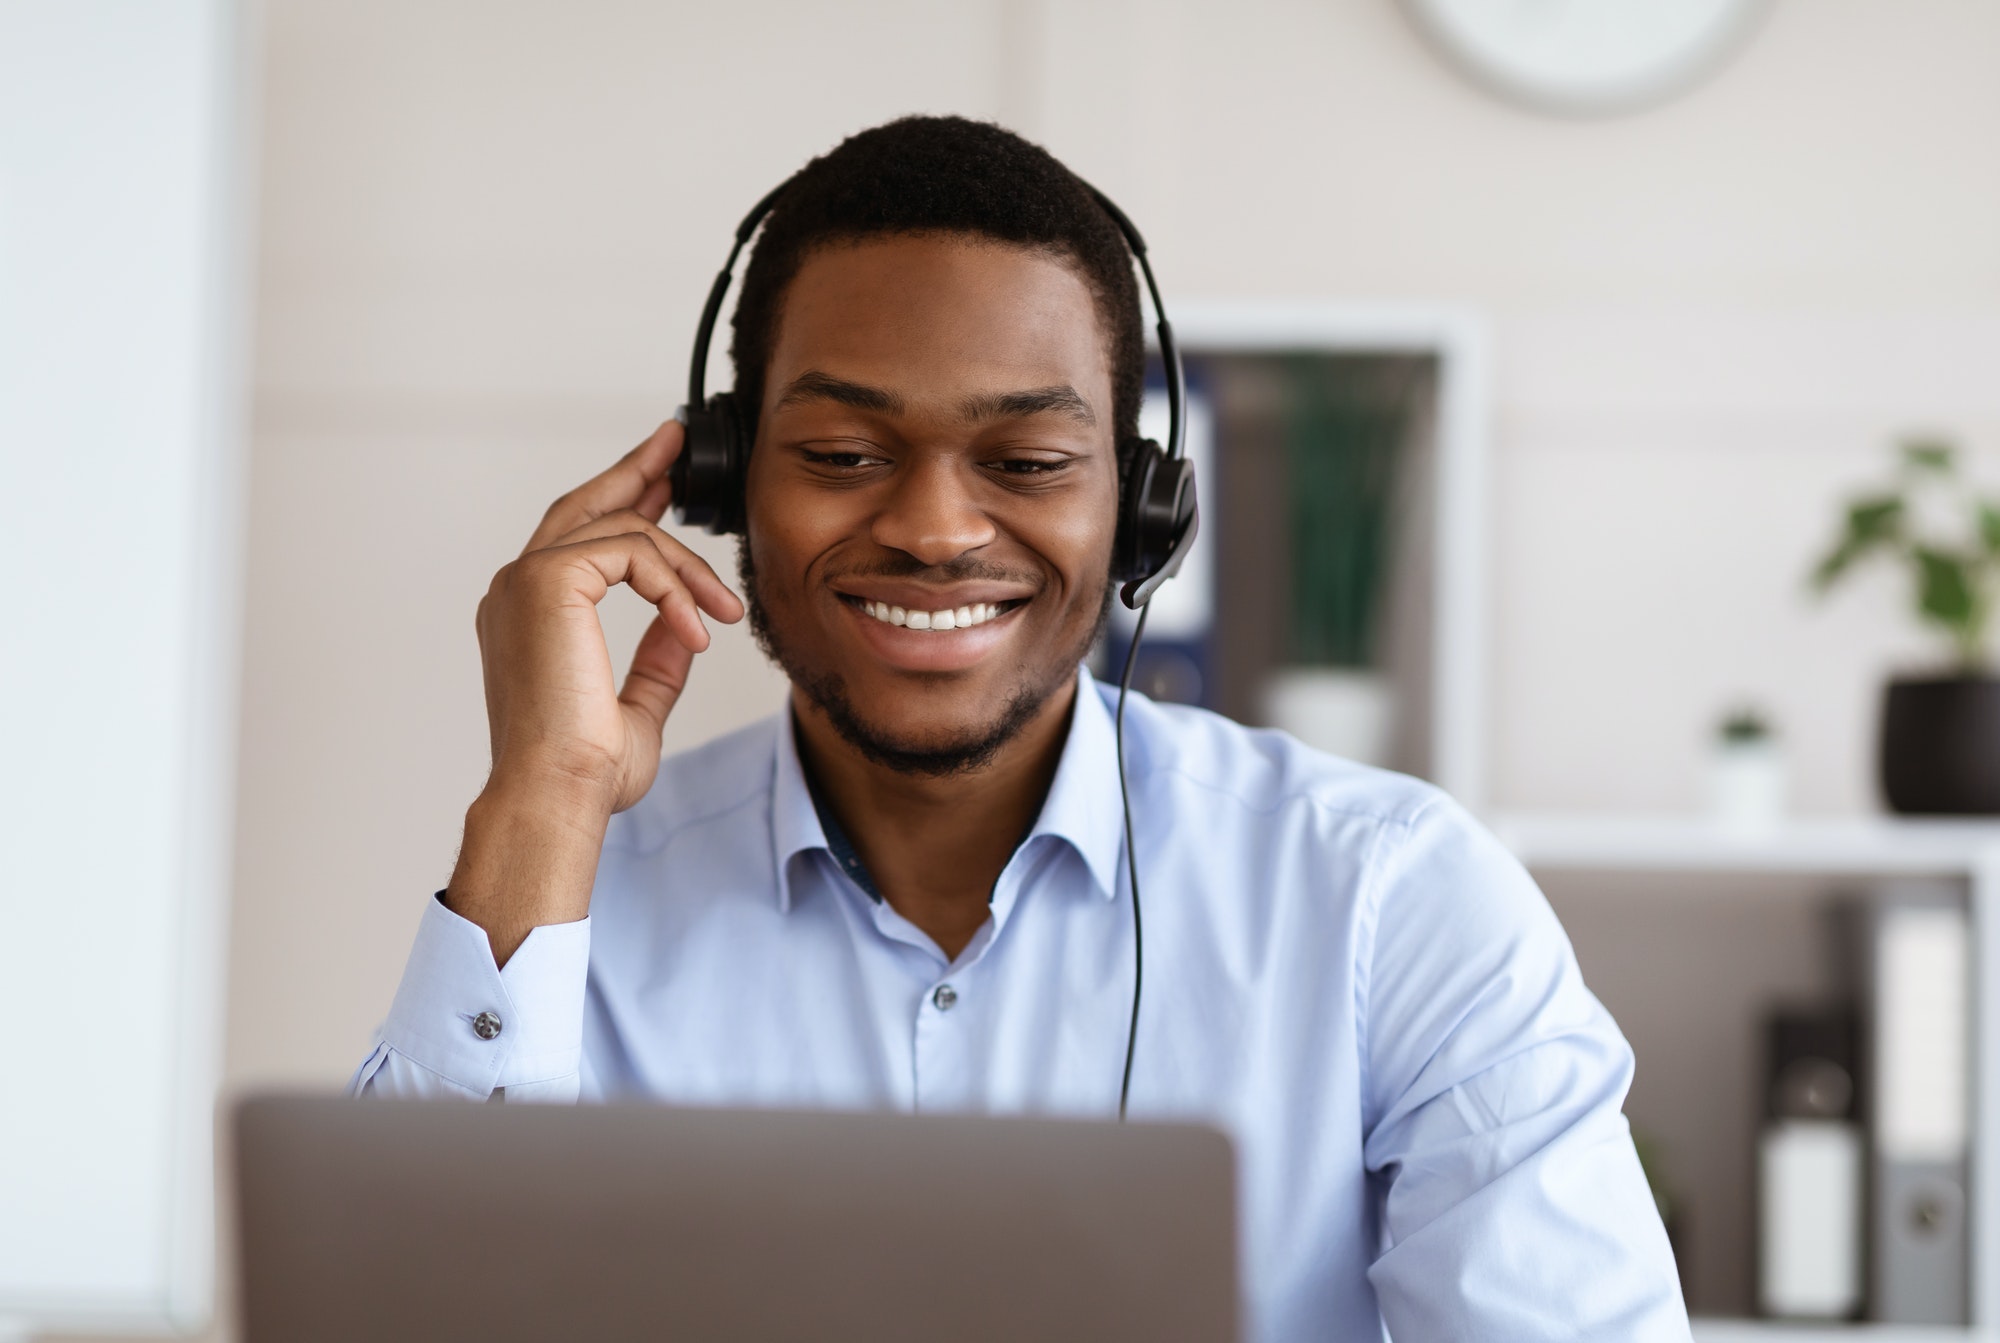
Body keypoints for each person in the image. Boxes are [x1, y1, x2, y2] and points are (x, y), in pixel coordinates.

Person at [354, 115, 1691, 1341]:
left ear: (1142, 506)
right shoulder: (565, 908)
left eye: (1031, 462)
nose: (936, 530)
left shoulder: (1387, 894)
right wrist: (543, 795)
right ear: (719, 485)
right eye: (838, 455)